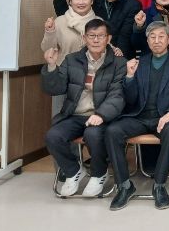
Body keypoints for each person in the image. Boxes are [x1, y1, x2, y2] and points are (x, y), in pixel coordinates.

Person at [105, 21, 169, 210]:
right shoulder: (139, 62)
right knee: (112, 131)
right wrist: (129, 77)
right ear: (147, 40)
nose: (157, 40)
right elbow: (131, 99)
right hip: (140, 116)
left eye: (161, 36)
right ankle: (125, 186)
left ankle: (159, 185)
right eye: (152, 37)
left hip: (167, 117)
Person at [42, 18, 126, 197]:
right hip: (75, 115)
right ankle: (73, 171)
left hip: (102, 116)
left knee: (93, 134)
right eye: (91, 36)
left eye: (100, 36)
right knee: (53, 136)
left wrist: (101, 115)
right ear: (84, 38)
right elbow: (54, 89)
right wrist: (51, 66)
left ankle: (99, 173)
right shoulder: (71, 60)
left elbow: (117, 95)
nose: (96, 40)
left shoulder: (118, 63)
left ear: (108, 38)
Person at [52, 0, 141, 59]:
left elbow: (125, 36)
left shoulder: (133, 4)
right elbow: (71, 15)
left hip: (121, 55)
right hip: (94, 55)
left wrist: (118, 60)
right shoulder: (95, 0)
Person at [42, 0, 98, 116]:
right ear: (70, 2)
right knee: (60, 119)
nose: (81, 2)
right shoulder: (60, 21)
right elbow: (47, 49)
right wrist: (50, 32)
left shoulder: (99, 23)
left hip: (91, 79)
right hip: (64, 77)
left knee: (89, 121)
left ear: (92, 1)